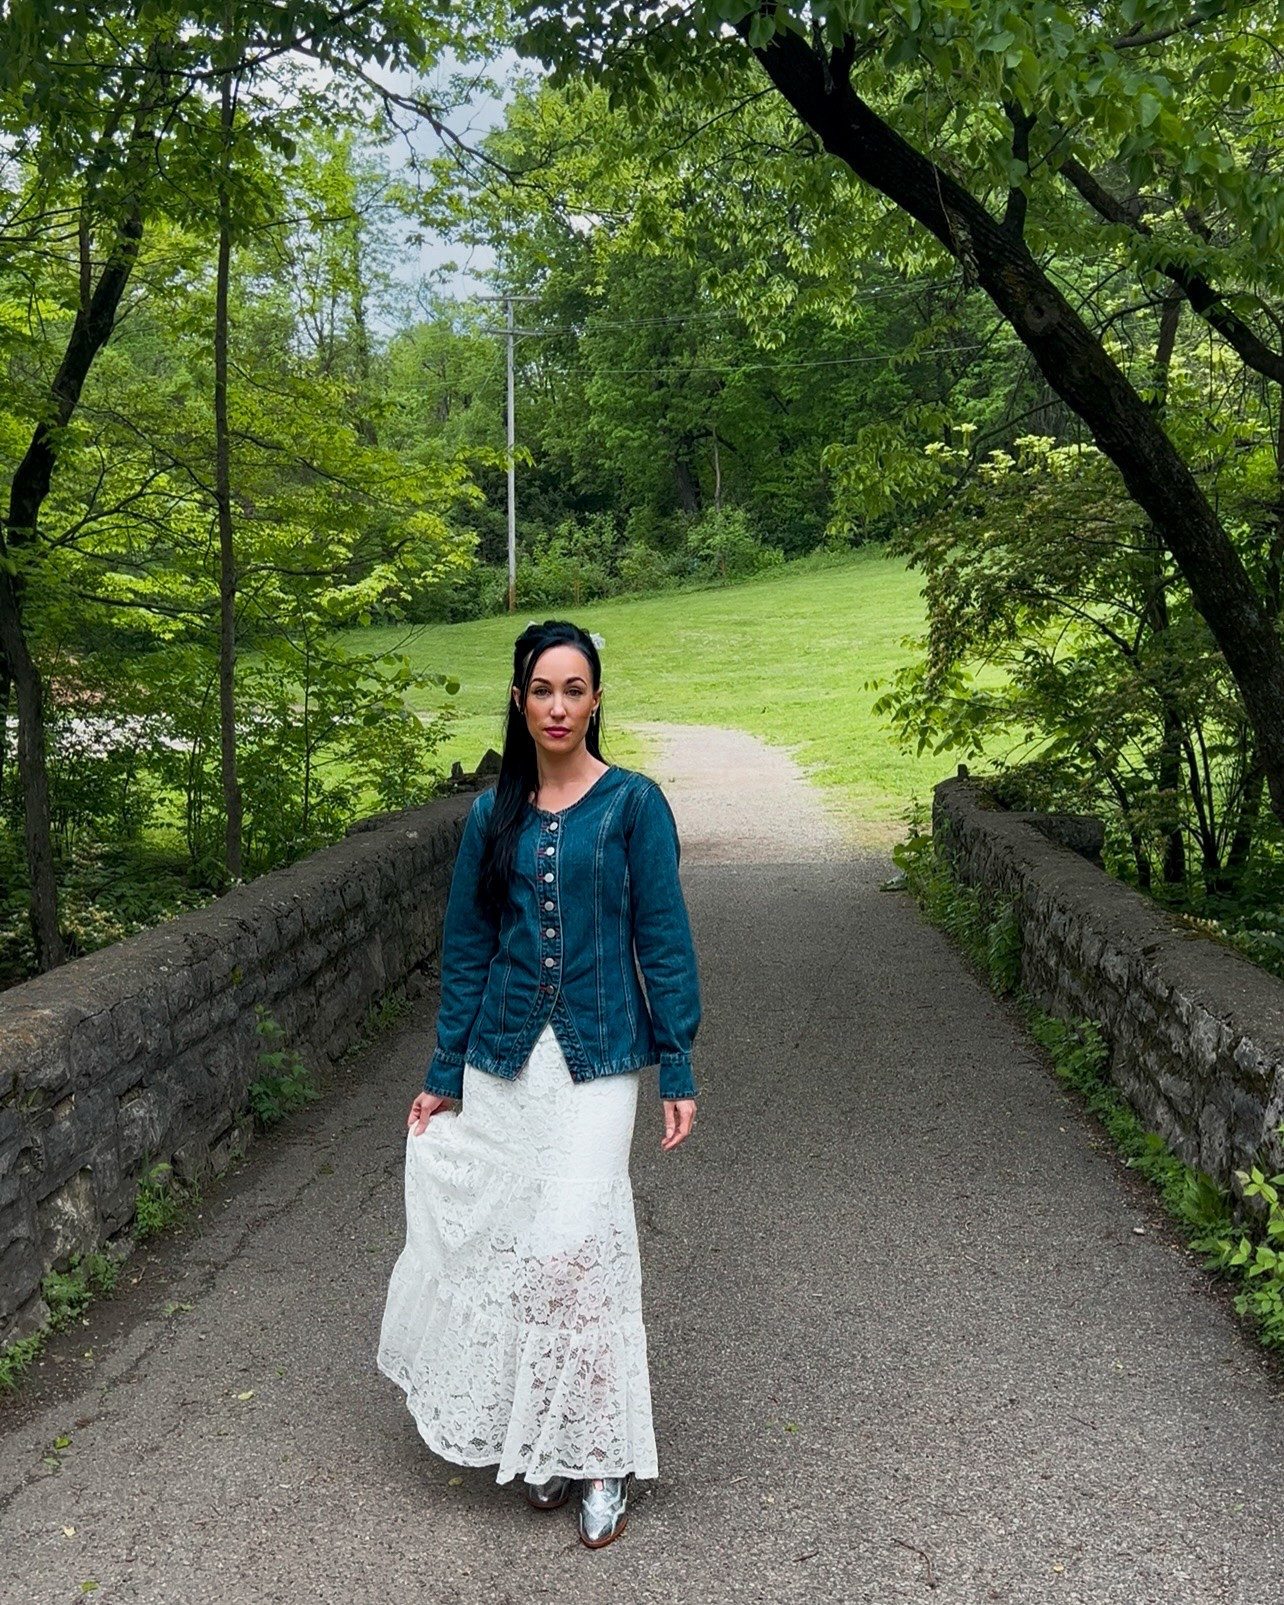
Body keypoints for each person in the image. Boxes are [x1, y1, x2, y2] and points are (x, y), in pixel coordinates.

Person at [377, 618, 700, 1549]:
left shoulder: (636, 806)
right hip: (506, 1060)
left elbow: (663, 941)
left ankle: (601, 1455)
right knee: (519, 1247)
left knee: (576, 1250)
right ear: (519, 701)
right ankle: (547, 1441)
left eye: (574, 688)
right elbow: (469, 949)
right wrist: (445, 1075)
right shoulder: (493, 815)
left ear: (597, 699)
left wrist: (675, 1061)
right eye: (542, 690)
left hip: (598, 1062)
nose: (558, 706)